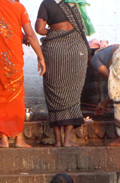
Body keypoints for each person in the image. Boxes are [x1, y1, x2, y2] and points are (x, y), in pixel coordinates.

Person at [0, 0, 46, 148]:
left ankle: (3, 139)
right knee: (16, 97)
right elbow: (30, 34)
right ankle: (19, 139)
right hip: (11, 60)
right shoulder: (18, 7)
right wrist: (40, 56)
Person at [36, 0, 90, 147]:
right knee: (73, 94)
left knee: (54, 93)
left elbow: (39, 29)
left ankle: (58, 140)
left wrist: (55, 32)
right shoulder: (75, 3)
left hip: (55, 50)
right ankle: (67, 140)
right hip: (76, 49)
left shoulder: (47, 3)